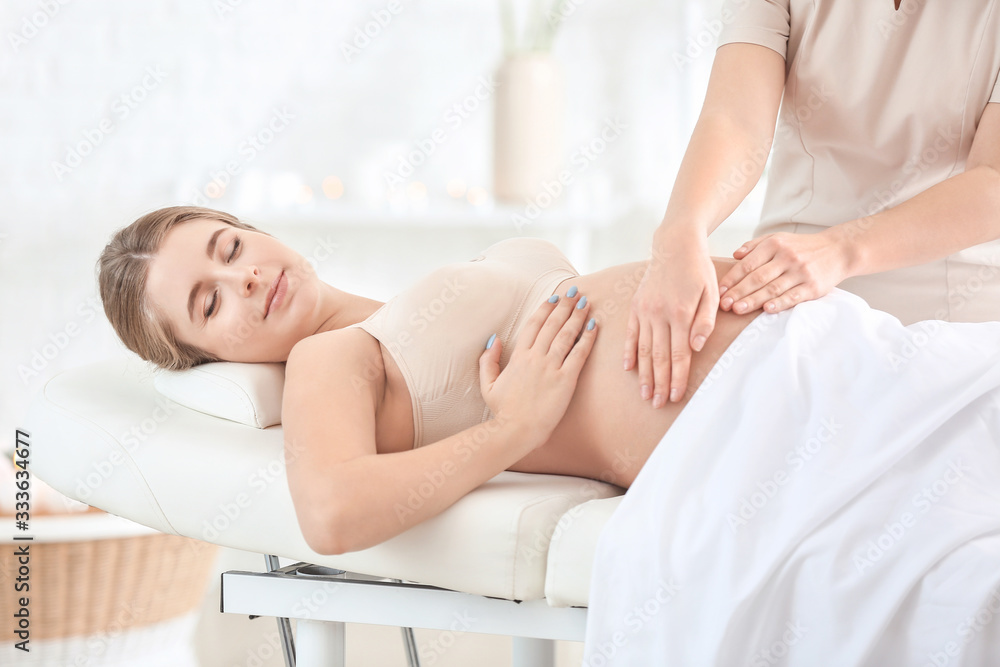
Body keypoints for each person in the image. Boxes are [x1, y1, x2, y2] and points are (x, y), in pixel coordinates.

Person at [96, 205, 765, 555]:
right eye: (209, 304)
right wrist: (512, 429)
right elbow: (331, 514)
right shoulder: (327, 358)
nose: (241, 277)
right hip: (750, 417)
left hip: (797, 333)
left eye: (231, 247)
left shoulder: (398, 311)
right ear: (207, 357)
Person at [626, 0, 1000, 412]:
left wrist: (839, 250)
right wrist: (682, 230)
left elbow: (993, 180)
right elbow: (737, 120)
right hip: (784, 292)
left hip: (953, 317)